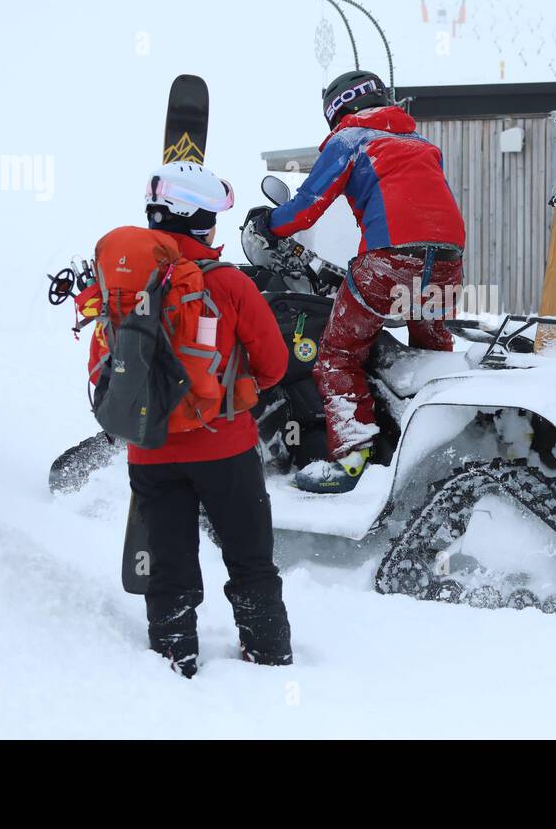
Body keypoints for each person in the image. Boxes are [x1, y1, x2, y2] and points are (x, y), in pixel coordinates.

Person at [113, 162, 292, 677]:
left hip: (149, 450)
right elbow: (275, 365)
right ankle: (269, 660)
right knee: (250, 556)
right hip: (225, 449)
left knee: (167, 563)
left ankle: (174, 660)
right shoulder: (230, 283)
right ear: (199, 223)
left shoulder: (125, 280)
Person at [253, 70, 466, 494]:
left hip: (388, 260)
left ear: (336, 111)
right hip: (446, 262)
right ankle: (441, 448)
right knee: (432, 355)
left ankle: (352, 458)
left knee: (336, 355)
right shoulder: (422, 145)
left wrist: (268, 224)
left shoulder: (349, 140)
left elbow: (306, 207)